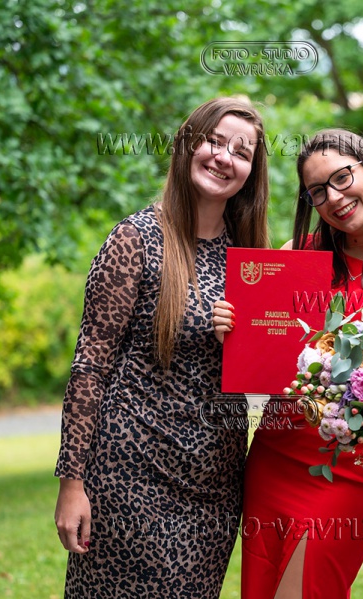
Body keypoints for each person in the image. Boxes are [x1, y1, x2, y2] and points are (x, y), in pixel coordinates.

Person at [214, 129, 363, 598]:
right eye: (317, 191)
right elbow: (261, 347)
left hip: (351, 469)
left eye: (342, 178)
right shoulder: (296, 256)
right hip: (276, 455)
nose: (334, 198)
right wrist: (232, 324)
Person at [53, 97, 270, 598]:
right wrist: (71, 483)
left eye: (241, 152)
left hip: (214, 486)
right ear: (188, 144)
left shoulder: (250, 260)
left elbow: (266, 376)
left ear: (251, 174)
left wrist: (243, 342)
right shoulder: (135, 240)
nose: (224, 157)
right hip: (131, 476)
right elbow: (89, 367)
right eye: (214, 141)